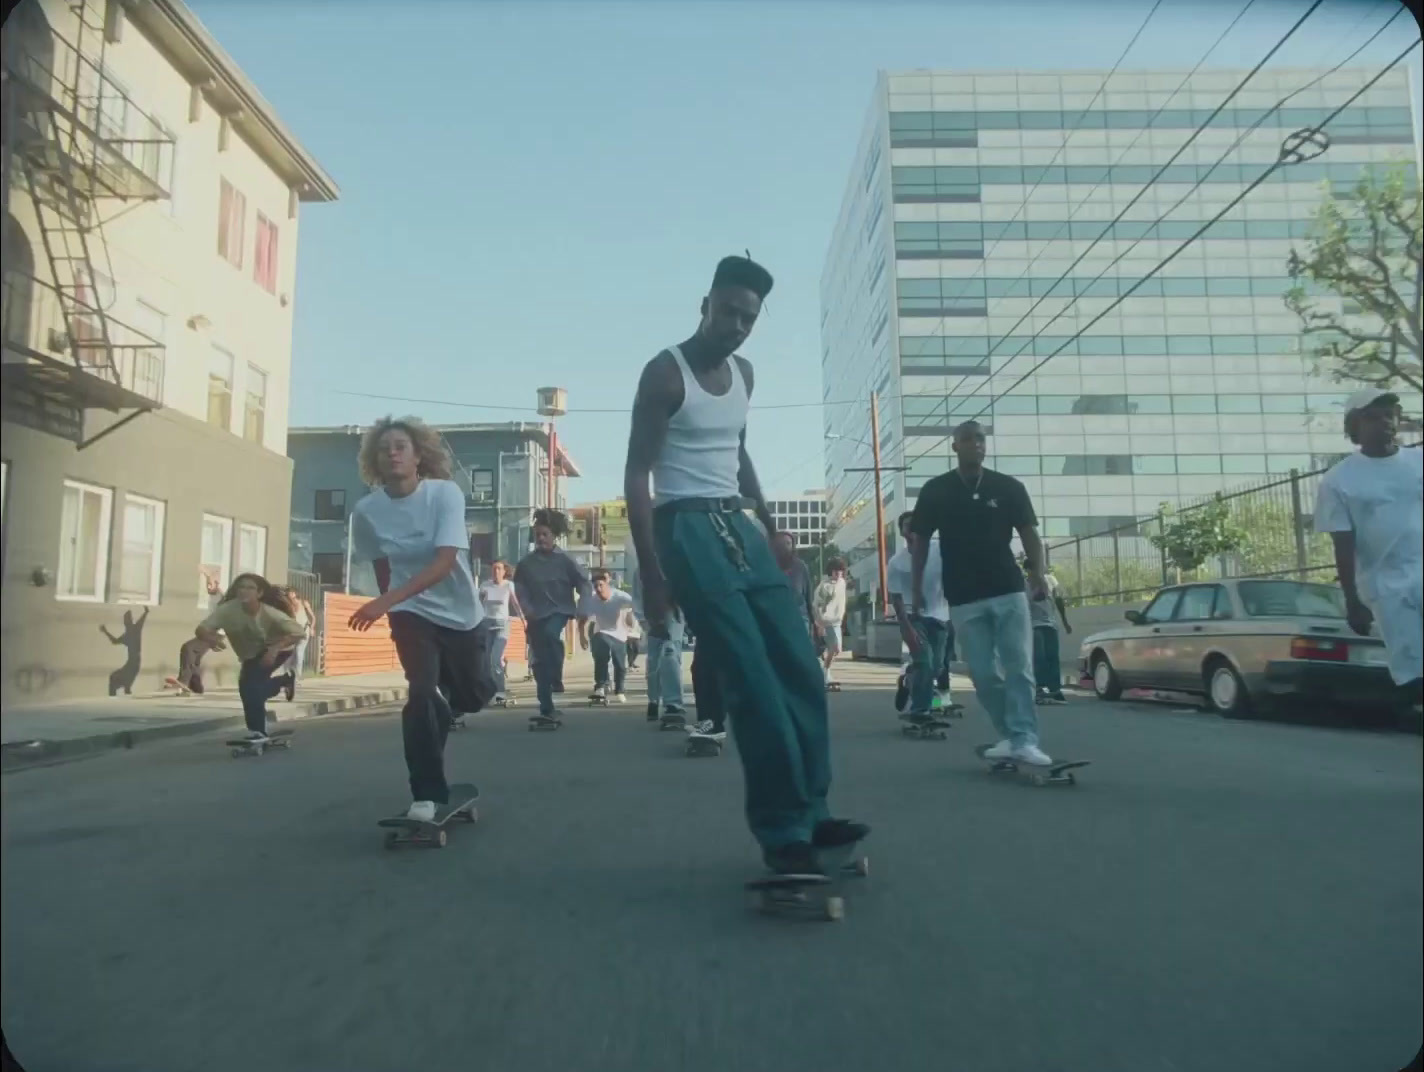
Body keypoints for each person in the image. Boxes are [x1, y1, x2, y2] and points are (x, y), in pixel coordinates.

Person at [624, 252, 867, 874]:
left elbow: (737, 449)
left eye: (749, 318)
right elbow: (637, 475)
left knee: (800, 668)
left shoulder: (746, 375)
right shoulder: (665, 374)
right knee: (753, 681)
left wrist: (770, 520)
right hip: (685, 526)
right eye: (728, 311)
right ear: (705, 305)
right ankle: (783, 831)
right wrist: (653, 577)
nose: (736, 325)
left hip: (737, 521)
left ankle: (814, 810)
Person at [348, 417, 495, 822]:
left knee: (473, 695)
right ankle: (426, 795)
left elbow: (446, 561)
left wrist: (385, 601)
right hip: (411, 613)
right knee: (421, 693)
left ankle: (457, 696)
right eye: (384, 449)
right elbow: (381, 564)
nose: (392, 453)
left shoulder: (443, 494)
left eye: (401, 446)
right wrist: (391, 605)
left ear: (418, 457)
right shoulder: (367, 511)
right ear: (376, 462)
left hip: (462, 612)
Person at [910, 419, 1053, 766]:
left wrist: (1038, 572)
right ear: (955, 446)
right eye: (967, 439)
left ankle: (1024, 738)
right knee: (983, 673)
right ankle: (1009, 734)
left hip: (1007, 589)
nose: (975, 444)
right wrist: (916, 589)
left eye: (980, 439)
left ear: (985, 445)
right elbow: (920, 541)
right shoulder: (935, 490)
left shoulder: (1008, 487)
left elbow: (1029, 533)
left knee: (1018, 666)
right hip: (963, 595)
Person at [1314, 388, 1423, 711]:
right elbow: (1343, 544)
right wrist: (1353, 602)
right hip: (1386, 586)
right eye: (1372, 418)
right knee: (1412, 665)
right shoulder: (1338, 480)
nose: (1384, 423)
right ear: (1354, 427)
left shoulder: (1418, 463)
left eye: (1389, 415)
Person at [194, 573, 304, 740]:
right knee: (250, 691)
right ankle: (284, 681)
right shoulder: (227, 610)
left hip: (279, 648)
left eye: (250, 588)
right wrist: (209, 637)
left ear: (259, 594)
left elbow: (299, 632)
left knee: (250, 688)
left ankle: (257, 730)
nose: (244, 591)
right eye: (241, 587)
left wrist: (275, 649)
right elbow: (201, 629)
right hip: (251, 655)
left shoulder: (270, 613)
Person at [513, 509, 592, 720]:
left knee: (550, 634)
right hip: (535, 614)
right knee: (538, 662)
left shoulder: (565, 560)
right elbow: (519, 587)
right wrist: (526, 606)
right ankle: (546, 707)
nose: (540, 538)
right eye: (537, 534)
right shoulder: (526, 563)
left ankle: (557, 676)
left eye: (545, 534)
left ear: (554, 536)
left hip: (559, 610)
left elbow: (584, 583)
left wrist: (584, 607)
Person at [887, 511, 952, 723]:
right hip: (913, 617)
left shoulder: (939, 550)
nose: (913, 529)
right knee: (924, 661)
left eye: (916, 525)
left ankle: (907, 680)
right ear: (902, 532)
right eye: (908, 526)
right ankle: (920, 711)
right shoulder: (897, 562)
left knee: (936, 667)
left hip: (941, 615)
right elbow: (895, 597)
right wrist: (905, 625)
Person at [582, 569, 637, 703]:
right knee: (601, 656)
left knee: (620, 664)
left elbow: (636, 606)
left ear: (607, 584)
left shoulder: (620, 596)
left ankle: (620, 690)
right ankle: (600, 686)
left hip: (620, 634)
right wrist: (581, 636)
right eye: (596, 586)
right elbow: (582, 619)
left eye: (601, 585)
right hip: (602, 631)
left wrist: (633, 620)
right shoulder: (592, 599)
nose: (599, 589)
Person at [1023, 558, 1071, 704]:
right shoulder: (1025, 585)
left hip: (1050, 624)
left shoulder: (1050, 580)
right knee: (1040, 657)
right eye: (1032, 569)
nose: (1036, 572)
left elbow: (1058, 600)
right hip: (1034, 625)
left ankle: (1055, 689)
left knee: (1053, 657)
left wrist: (1065, 622)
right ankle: (1039, 689)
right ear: (1028, 571)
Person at [479, 560, 525, 703]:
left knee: (495, 659)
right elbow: (478, 604)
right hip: (486, 623)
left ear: (504, 571)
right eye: (493, 569)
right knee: (486, 661)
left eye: (499, 569)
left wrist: (523, 620)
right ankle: (488, 691)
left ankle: (500, 691)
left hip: (502, 624)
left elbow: (515, 603)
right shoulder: (484, 585)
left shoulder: (508, 585)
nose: (496, 572)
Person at [812, 558, 848, 688]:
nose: (839, 573)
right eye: (836, 571)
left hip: (837, 621)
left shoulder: (842, 583)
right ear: (831, 572)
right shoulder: (825, 587)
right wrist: (819, 624)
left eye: (841, 571)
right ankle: (825, 672)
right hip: (826, 622)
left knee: (836, 649)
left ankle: (824, 669)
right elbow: (817, 606)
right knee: (834, 647)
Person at [772, 532, 816, 638]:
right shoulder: (769, 566)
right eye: (783, 543)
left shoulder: (801, 567)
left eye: (789, 543)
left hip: (800, 617)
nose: (786, 546)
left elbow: (808, 596)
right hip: (777, 619)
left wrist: (814, 622)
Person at [281, 586, 316, 701]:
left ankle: (297, 678)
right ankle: (286, 678)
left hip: (304, 630)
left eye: (291, 593)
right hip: (292, 633)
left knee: (299, 653)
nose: (290, 595)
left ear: (295, 593)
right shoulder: (287, 605)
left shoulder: (304, 603)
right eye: (288, 594)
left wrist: (312, 628)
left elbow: (313, 617)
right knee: (288, 655)